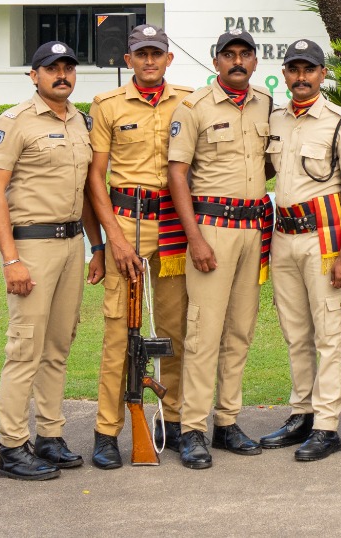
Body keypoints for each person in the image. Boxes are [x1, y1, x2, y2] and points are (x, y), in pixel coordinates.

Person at [0, 41, 97, 481]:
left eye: (68, 67)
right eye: (52, 68)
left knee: (58, 346)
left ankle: (50, 436)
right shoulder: (14, 123)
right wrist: (10, 259)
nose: (61, 74)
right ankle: (12, 447)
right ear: (35, 75)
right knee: (25, 347)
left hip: (71, 245)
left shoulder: (81, 123)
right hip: (30, 247)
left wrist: (97, 247)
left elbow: (86, 191)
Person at [83, 25, 191, 470]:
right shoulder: (107, 105)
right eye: (140, 54)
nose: (149, 61)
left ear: (169, 60)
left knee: (174, 329)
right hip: (127, 217)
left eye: (156, 54)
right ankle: (107, 431)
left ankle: (175, 420)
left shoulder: (189, 100)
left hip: (173, 220)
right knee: (117, 334)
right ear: (127, 61)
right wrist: (113, 240)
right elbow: (95, 177)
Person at [166, 30, 275, 469]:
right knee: (203, 332)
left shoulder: (267, 104)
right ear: (216, 61)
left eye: (244, 55)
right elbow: (178, 175)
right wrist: (194, 238)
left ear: (254, 62)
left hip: (253, 229)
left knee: (239, 332)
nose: (237, 62)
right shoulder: (193, 107)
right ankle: (192, 427)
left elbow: (269, 162)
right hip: (212, 229)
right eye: (228, 55)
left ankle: (227, 422)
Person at [259, 39, 341, 461]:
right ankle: (301, 413)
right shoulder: (276, 121)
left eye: (310, 69)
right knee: (295, 333)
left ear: (323, 74)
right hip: (282, 238)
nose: (301, 77)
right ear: (284, 73)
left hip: (323, 239)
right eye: (294, 69)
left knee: (328, 334)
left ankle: (326, 425)